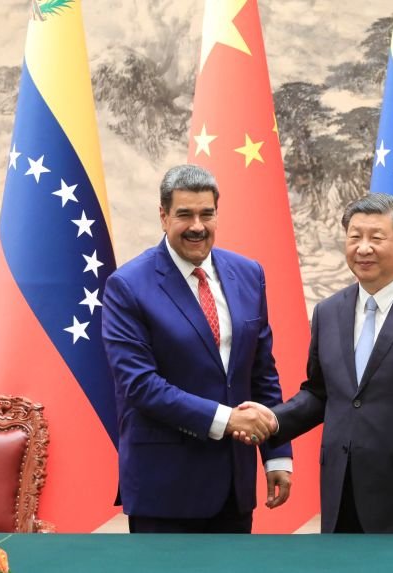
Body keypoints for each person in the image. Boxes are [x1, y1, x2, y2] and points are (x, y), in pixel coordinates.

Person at [241, 193, 393, 533]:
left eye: (376, 238)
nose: (363, 248)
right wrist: (272, 420)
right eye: (355, 237)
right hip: (343, 488)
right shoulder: (328, 312)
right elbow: (320, 393)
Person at [101, 164, 292, 533]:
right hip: (166, 488)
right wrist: (227, 419)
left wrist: (277, 454)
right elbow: (139, 385)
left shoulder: (249, 273)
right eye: (184, 214)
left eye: (207, 214)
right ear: (163, 215)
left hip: (234, 487)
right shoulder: (127, 286)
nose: (197, 226)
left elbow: (261, 372)